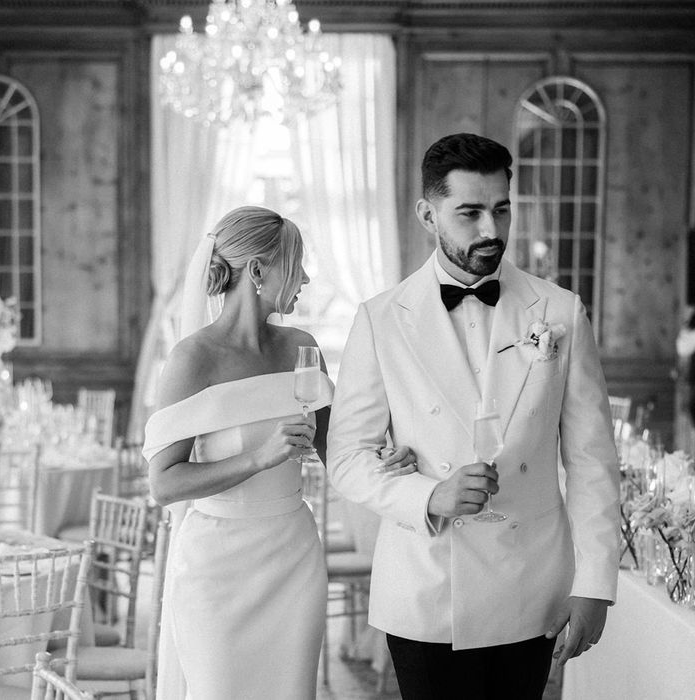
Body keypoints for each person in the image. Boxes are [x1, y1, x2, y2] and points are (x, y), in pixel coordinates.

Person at [327, 133, 620, 699]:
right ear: (427, 214)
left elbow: (592, 461)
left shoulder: (559, 311)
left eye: (502, 209)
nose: (492, 230)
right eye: (470, 212)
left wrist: (595, 585)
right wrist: (426, 497)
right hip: (427, 581)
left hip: (531, 584)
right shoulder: (380, 319)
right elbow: (347, 458)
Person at [142, 206, 415, 700]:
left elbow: (342, 452)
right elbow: (164, 484)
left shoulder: (301, 348)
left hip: (293, 557)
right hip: (215, 567)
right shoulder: (192, 359)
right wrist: (257, 458)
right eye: (297, 264)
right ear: (259, 271)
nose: (306, 279)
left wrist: (386, 465)